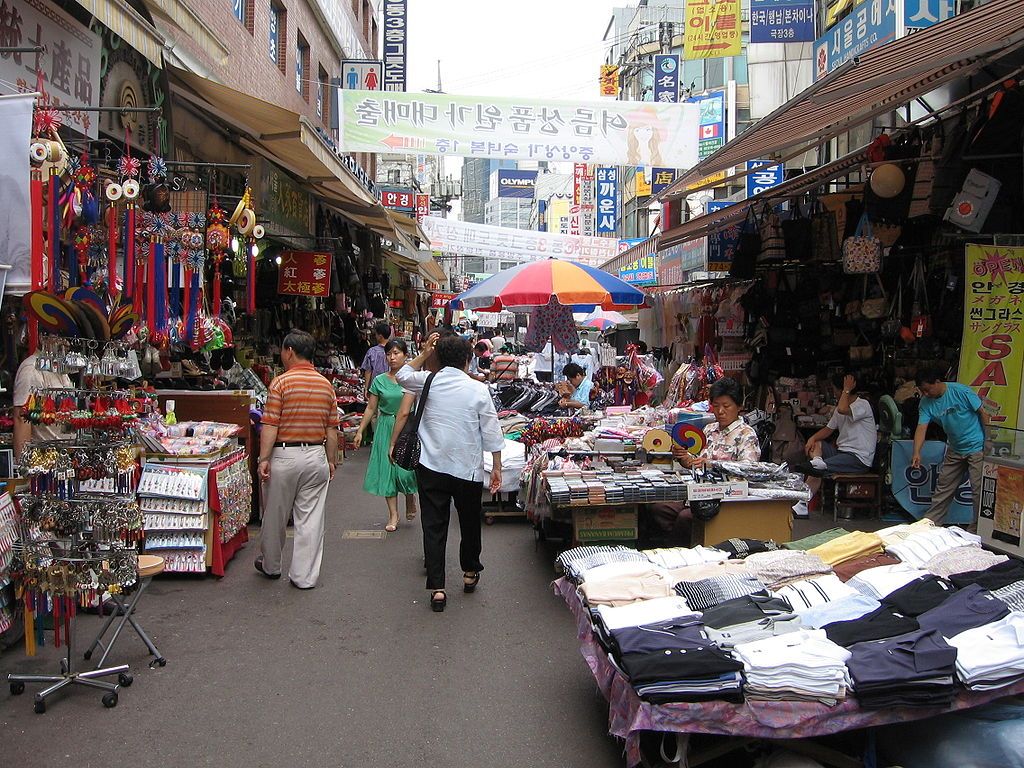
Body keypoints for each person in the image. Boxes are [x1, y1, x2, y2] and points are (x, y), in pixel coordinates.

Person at [393, 333, 504, 613]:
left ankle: (438, 587)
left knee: (433, 525)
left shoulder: (427, 381)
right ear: (468, 360)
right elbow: (491, 431)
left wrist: (424, 353)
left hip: (431, 467)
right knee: (469, 522)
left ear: (438, 358)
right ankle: (469, 571)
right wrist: (497, 466)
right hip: (467, 469)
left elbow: (402, 374)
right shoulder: (477, 389)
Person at [256, 330, 339, 589]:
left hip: (284, 455)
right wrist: (331, 460)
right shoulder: (326, 385)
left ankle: (271, 566)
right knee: (311, 519)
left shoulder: (280, 383)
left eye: (282, 351)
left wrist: (263, 458)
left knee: (274, 516)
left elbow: (270, 425)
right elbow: (331, 429)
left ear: (289, 351)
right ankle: (303, 577)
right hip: (316, 456)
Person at [352, 339, 418, 532]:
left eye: (396, 353)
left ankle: (409, 495)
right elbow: (371, 407)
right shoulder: (379, 380)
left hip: (406, 427)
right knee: (387, 472)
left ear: (405, 355)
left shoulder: (413, 378)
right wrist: (360, 430)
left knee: (406, 471)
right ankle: (393, 515)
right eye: (389, 354)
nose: (392, 357)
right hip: (385, 426)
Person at [912, 368, 988, 529]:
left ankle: (977, 528)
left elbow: (983, 413)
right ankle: (931, 524)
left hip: (976, 447)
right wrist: (917, 452)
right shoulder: (925, 403)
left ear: (938, 382)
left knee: (978, 490)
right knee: (944, 487)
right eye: (922, 391)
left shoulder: (961, 391)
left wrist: (989, 441)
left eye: (927, 389)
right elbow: (921, 427)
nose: (925, 394)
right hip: (955, 448)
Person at [670, 377, 761, 468]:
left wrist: (712, 464)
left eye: (726, 406)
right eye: (716, 406)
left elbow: (749, 468)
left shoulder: (747, 434)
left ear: (739, 407)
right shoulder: (708, 429)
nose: (720, 411)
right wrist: (683, 456)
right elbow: (695, 460)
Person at [805, 373, 877, 474]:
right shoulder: (839, 409)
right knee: (816, 444)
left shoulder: (863, 405)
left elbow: (842, 409)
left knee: (817, 468)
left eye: (834, 389)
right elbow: (828, 429)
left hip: (858, 458)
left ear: (841, 390)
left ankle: (819, 465)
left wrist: (846, 389)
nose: (833, 392)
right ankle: (817, 462)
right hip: (841, 453)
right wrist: (812, 438)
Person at [12, 352, 74, 460]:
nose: (67, 343)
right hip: (46, 457)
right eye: (59, 336)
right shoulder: (31, 369)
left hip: (66, 455)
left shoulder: (60, 367)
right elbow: (21, 418)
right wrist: (24, 464)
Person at [360, 322, 392, 399]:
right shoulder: (395, 351)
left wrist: (366, 388)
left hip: (375, 388)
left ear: (380, 336)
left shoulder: (372, 351)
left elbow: (368, 371)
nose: (375, 336)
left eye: (376, 334)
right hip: (391, 387)